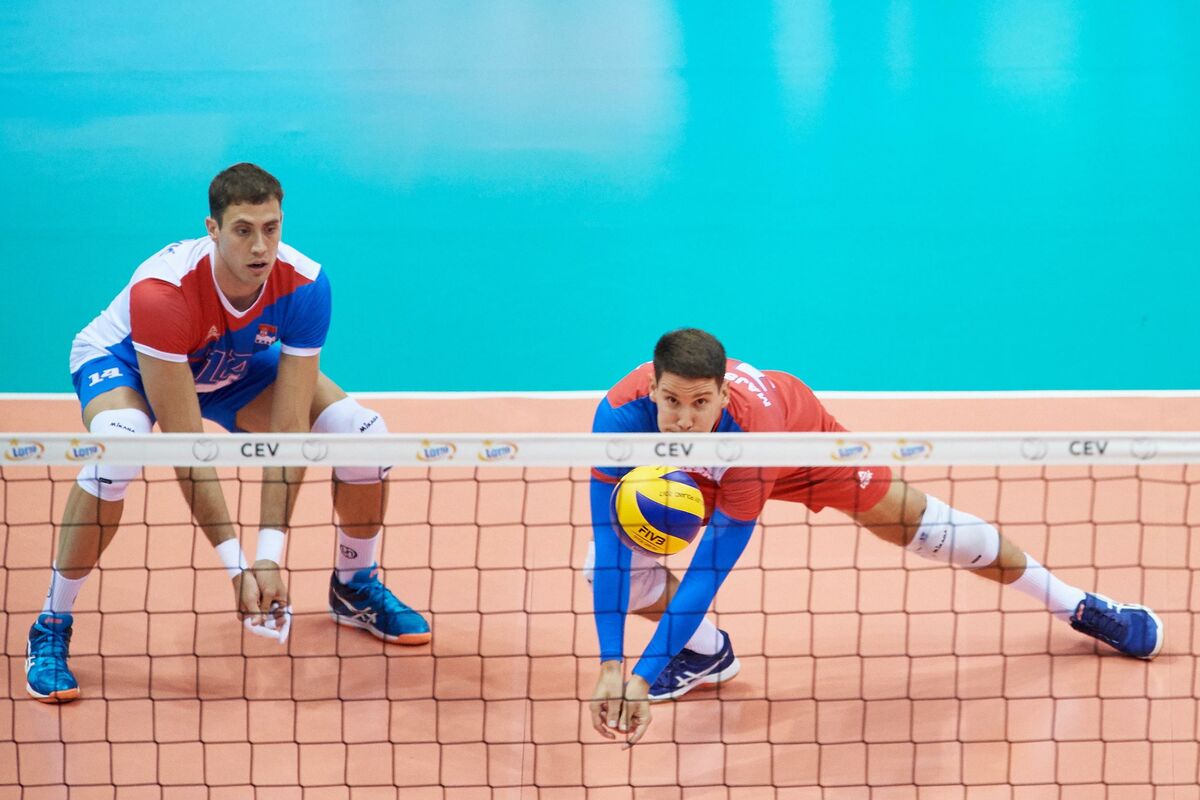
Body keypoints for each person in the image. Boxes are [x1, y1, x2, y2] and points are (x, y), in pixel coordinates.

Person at [586, 328, 1162, 745]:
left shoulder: (754, 434)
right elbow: (610, 543)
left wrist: (641, 676)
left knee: (928, 529)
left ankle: (1075, 605)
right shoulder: (618, 417)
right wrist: (613, 664)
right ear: (652, 387)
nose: (685, 419)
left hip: (797, 450)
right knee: (600, 565)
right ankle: (706, 653)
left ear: (722, 396)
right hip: (683, 475)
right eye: (672, 402)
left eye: (700, 403)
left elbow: (709, 573)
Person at [25, 163, 430, 703]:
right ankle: (51, 623)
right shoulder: (163, 292)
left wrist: (269, 556)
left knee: (364, 435)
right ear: (213, 229)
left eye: (271, 228)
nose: (260, 246)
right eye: (243, 230)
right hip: (131, 364)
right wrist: (237, 567)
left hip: (229, 364)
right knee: (120, 449)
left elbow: (288, 429)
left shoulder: (305, 284)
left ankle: (353, 586)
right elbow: (188, 448)